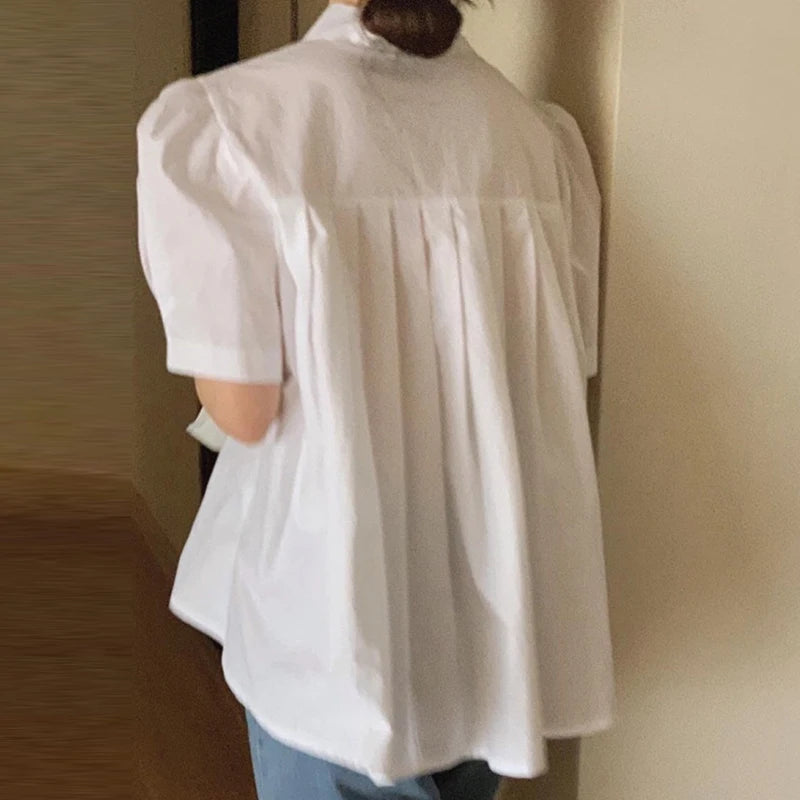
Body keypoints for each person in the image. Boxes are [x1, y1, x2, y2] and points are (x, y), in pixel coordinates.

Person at [136, 1, 615, 798]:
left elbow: (243, 411)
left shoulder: (232, 123)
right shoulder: (537, 138)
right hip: (492, 608)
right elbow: (567, 367)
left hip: (334, 604)